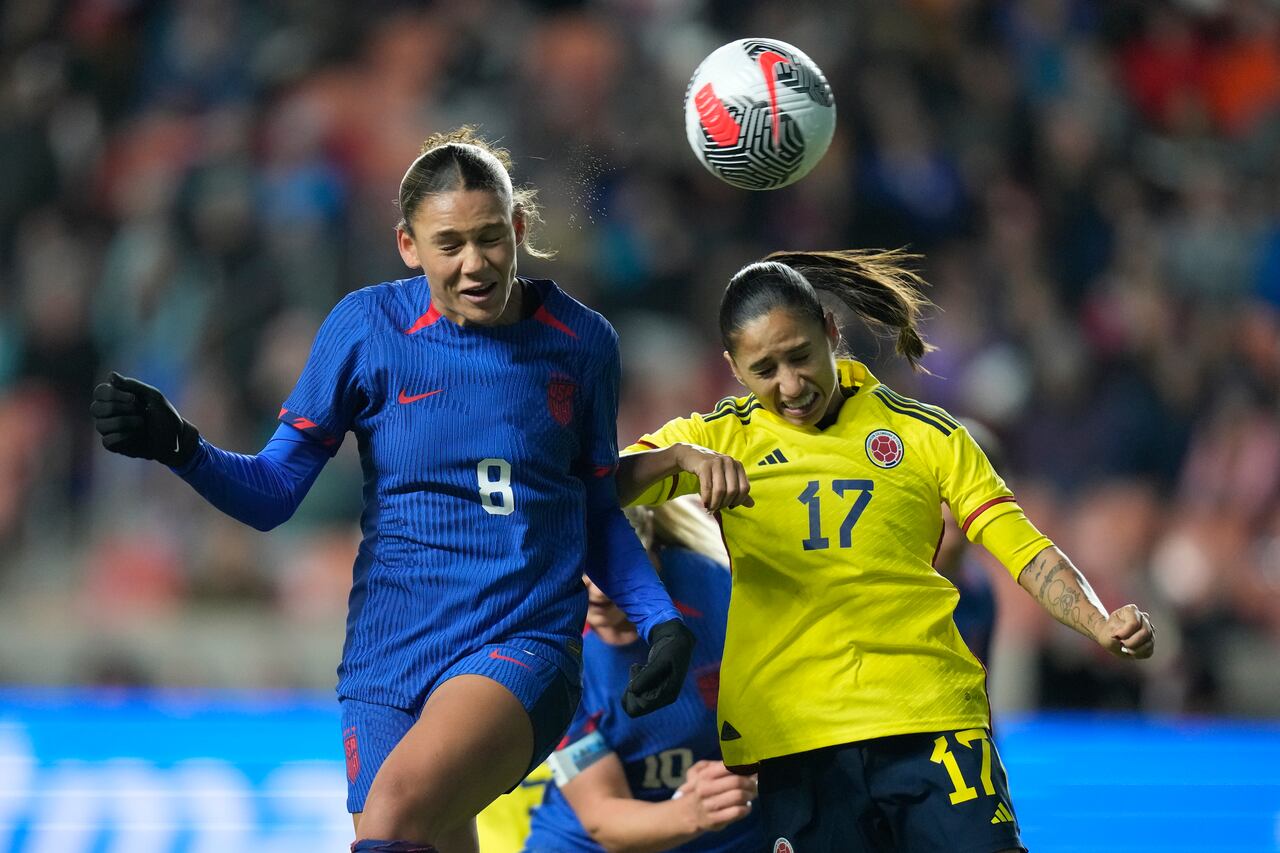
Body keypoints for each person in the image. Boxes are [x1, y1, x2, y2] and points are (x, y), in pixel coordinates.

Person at [89, 126, 695, 853]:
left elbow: (591, 505)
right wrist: (179, 446)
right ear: (409, 245)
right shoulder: (366, 330)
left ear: (519, 229)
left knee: (390, 819)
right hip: (386, 659)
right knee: (423, 835)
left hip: (520, 639)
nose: (475, 264)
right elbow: (276, 490)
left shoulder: (581, 340)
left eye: (491, 238)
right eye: (450, 245)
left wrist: (661, 618)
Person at [615, 249, 1156, 852]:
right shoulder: (715, 437)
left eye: (800, 356)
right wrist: (677, 459)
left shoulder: (925, 433)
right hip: (796, 738)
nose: (791, 386)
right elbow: (594, 487)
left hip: (930, 721)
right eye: (764, 369)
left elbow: (1022, 545)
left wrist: (1099, 620)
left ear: (830, 330)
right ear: (733, 368)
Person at [522, 498, 764, 852]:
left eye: (612, 567)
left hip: (730, 831)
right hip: (587, 842)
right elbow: (603, 819)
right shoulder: (541, 654)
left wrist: (752, 778)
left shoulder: (713, 589)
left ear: (647, 548)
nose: (598, 589)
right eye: (577, 566)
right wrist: (691, 812)